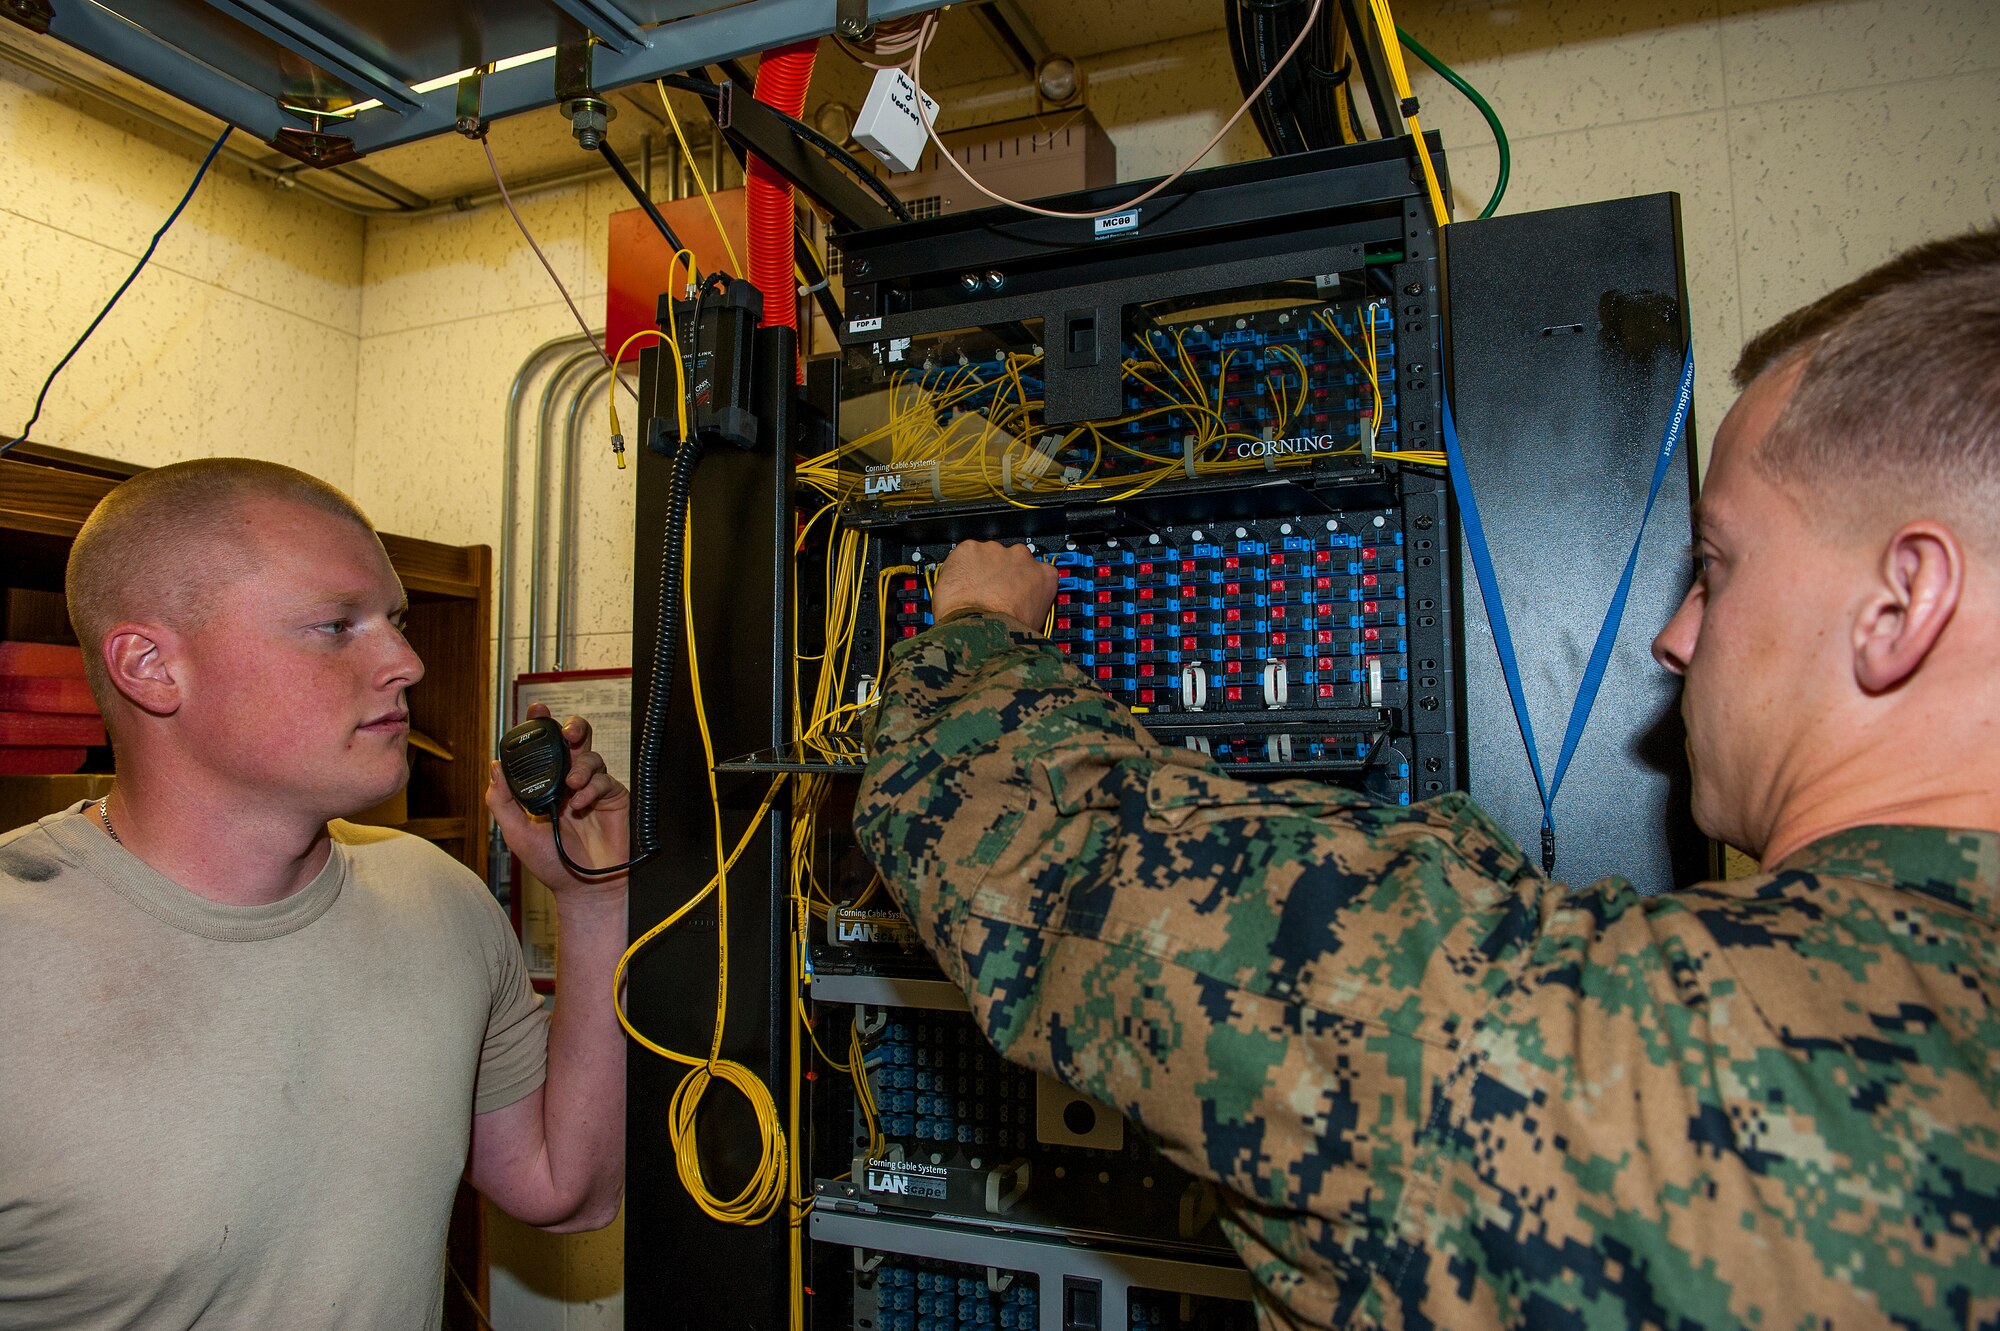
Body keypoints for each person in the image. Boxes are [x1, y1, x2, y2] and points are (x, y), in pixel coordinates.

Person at [855, 229, 2000, 1329]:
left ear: (1900, 602)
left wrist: (974, 633)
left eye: (1713, 564)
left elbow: (1052, 858)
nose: (1673, 635)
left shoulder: (1579, 1050)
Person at [0, 459, 631, 1328]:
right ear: (151, 666)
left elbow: (569, 1192)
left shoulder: (439, 899)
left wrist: (596, 904)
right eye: (337, 626)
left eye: (396, 622)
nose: (407, 662)